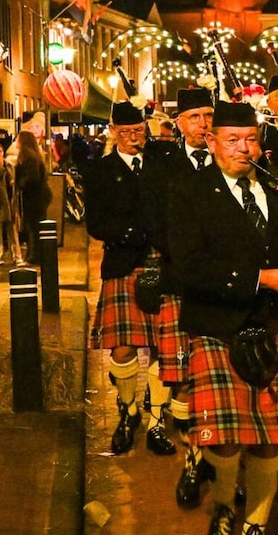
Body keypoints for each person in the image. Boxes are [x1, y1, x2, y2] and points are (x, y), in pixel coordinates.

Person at [167, 99, 278, 535]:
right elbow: (189, 267)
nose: (243, 148)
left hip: (276, 326)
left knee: (269, 438)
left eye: (250, 140)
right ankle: (225, 504)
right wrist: (260, 278)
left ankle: (256, 523)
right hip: (219, 327)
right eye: (232, 140)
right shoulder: (189, 192)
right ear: (212, 142)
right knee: (226, 440)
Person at [84, 101, 177, 457]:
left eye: (138, 131)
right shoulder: (101, 171)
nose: (133, 138)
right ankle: (128, 411)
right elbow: (96, 223)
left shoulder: (162, 163)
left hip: (163, 263)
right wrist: (133, 234)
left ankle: (156, 420)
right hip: (123, 263)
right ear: (113, 132)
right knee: (122, 347)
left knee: (163, 347)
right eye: (125, 132)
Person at [141, 87, 216, 507]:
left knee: (217, 380)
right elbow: (155, 223)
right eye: (195, 117)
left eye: (208, 115)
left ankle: (215, 457)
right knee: (185, 380)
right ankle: (194, 460)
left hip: (223, 287)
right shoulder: (162, 166)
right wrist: (192, 257)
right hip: (179, 281)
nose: (203, 124)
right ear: (180, 123)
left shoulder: (230, 160)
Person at [13, 130, 53, 263]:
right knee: (33, 226)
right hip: (37, 195)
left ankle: (35, 256)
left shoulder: (29, 157)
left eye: (18, 139)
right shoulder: (30, 155)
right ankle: (34, 254)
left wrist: (20, 183)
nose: (16, 141)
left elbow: (32, 177)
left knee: (34, 226)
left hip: (36, 196)